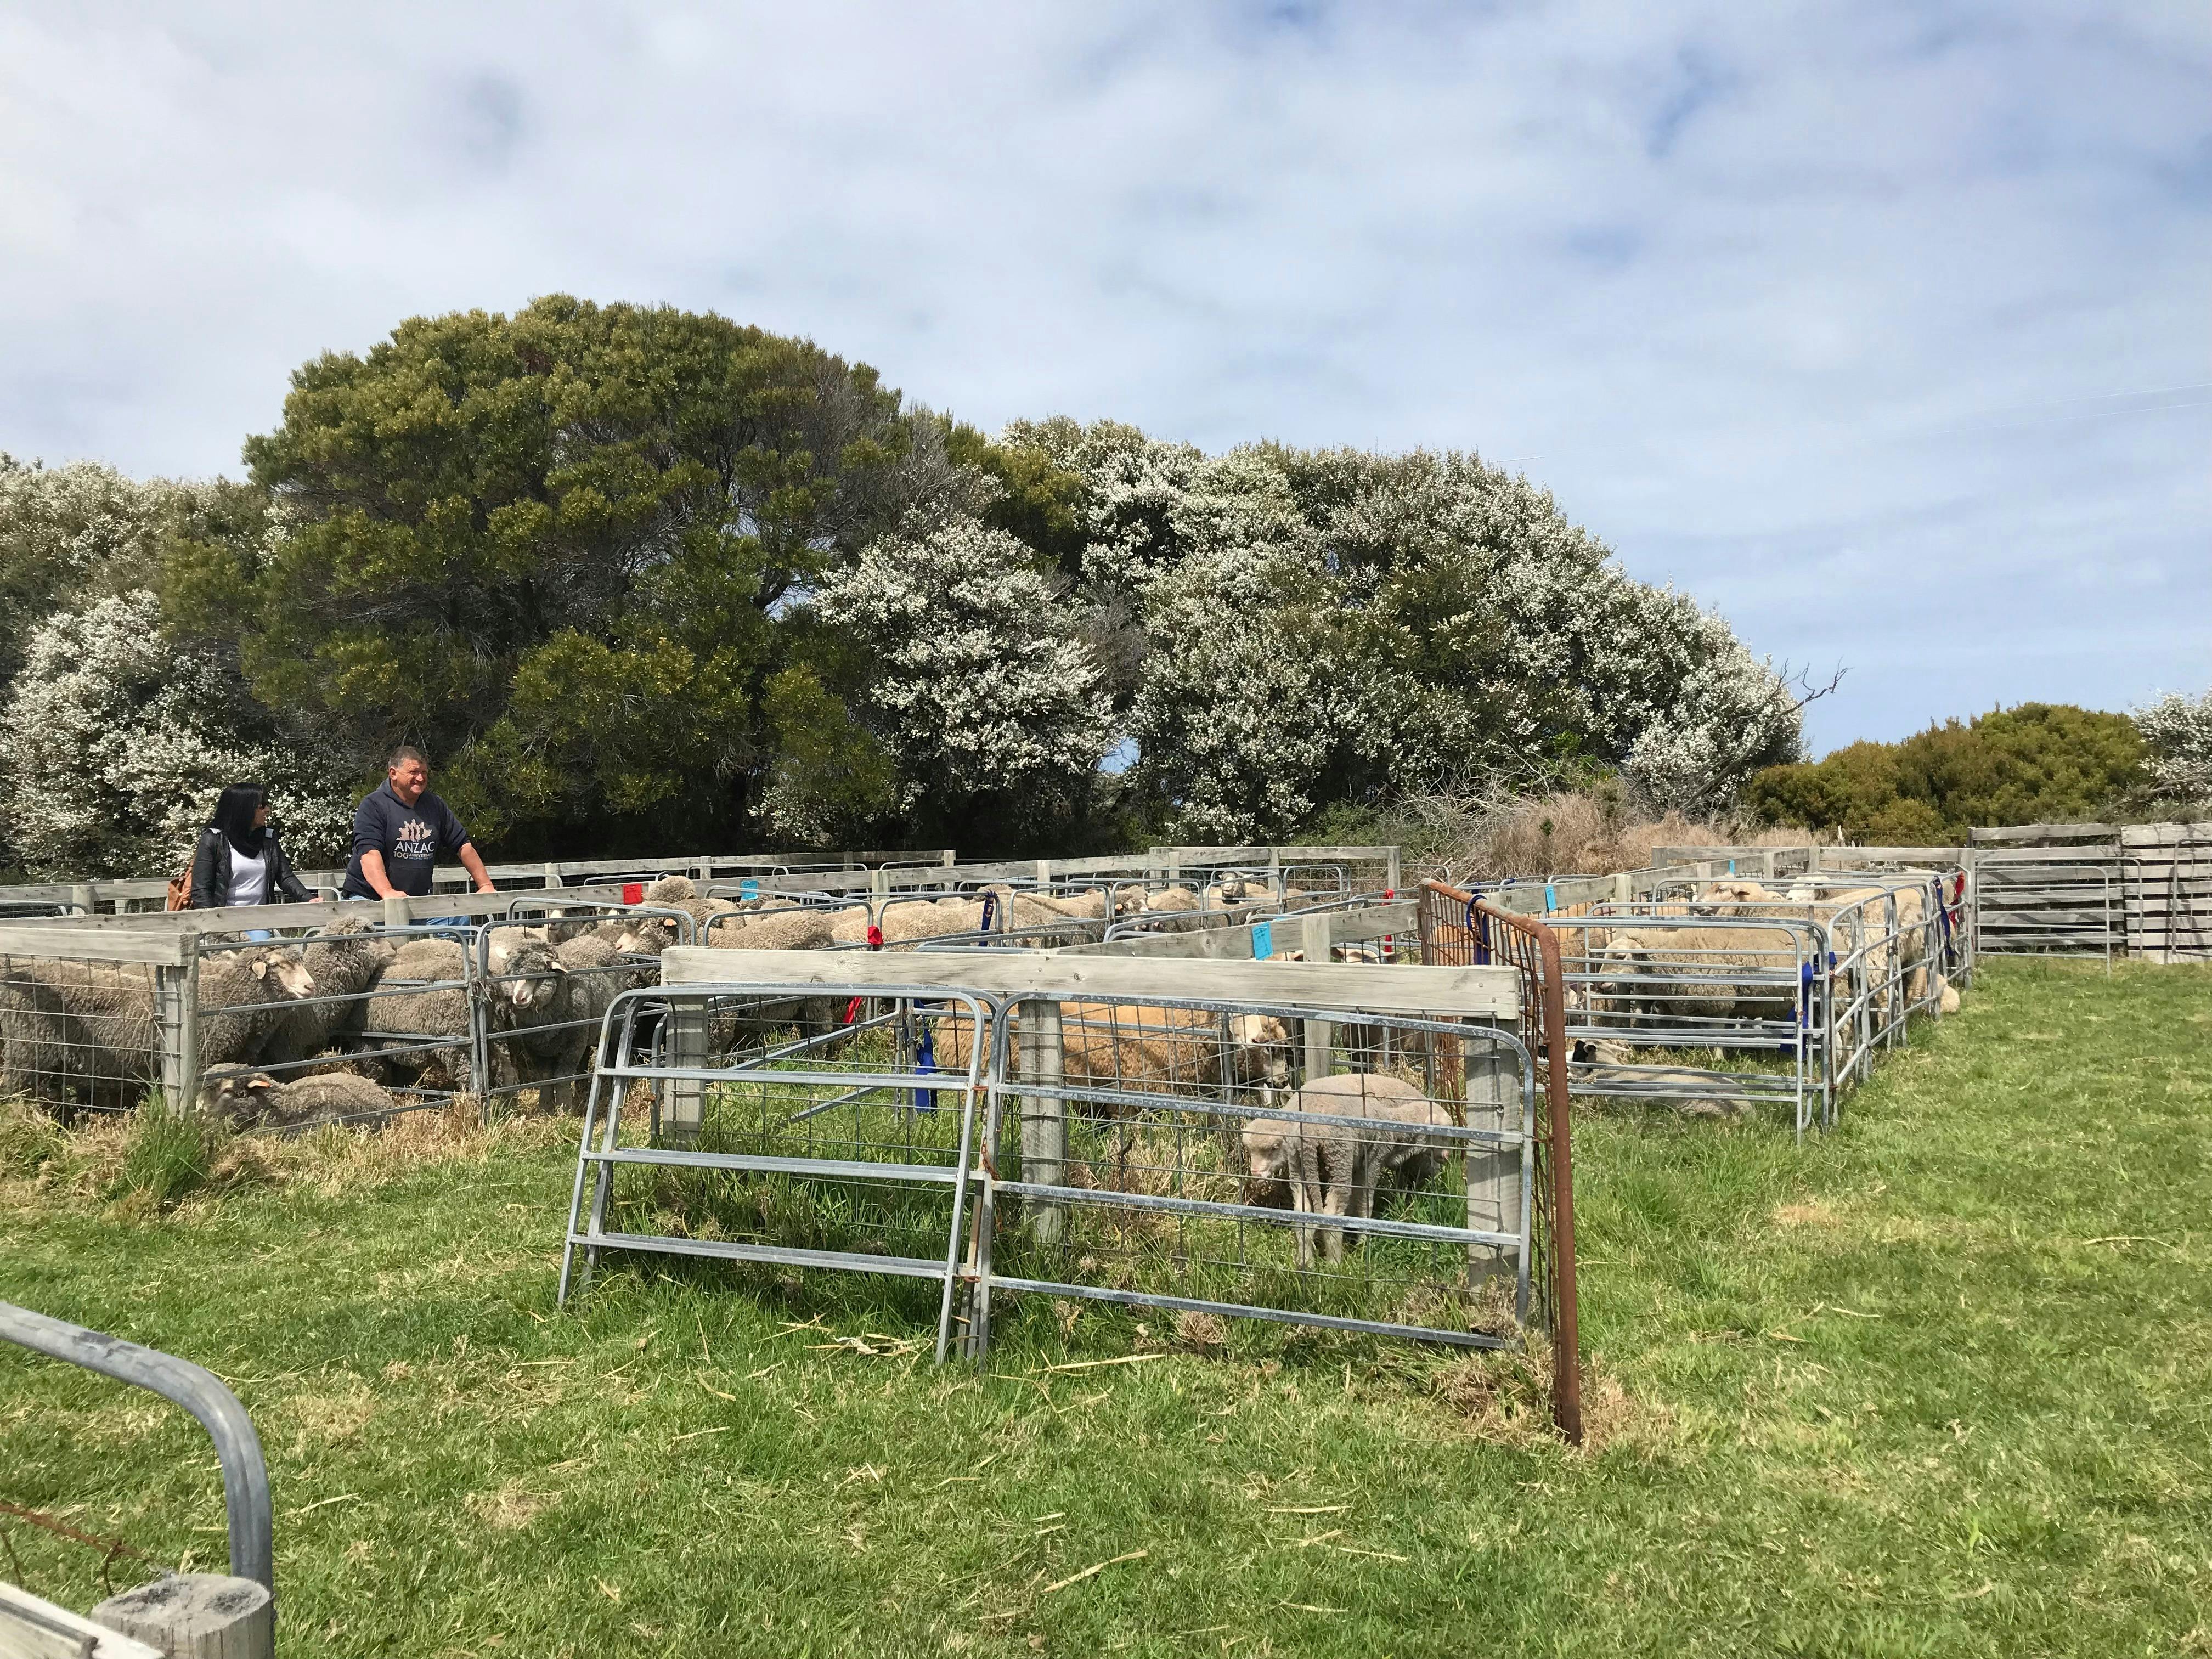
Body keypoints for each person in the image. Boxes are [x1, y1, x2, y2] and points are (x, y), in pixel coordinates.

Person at [339, 746, 496, 901]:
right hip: (369, 899)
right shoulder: (373, 805)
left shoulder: (435, 805)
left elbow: (463, 846)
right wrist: (387, 892)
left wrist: (486, 885)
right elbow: (369, 854)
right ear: (393, 773)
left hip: (417, 901)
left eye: (424, 773)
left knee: (459, 921)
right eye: (414, 772)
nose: (420, 778)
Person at [189, 783, 315, 910]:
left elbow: (285, 877)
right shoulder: (213, 839)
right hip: (224, 922)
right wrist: (215, 923)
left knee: (261, 932)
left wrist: (310, 900)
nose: (268, 810)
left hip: (261, 920)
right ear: (244, 810)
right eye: (261, 807)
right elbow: (201, 890)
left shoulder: (269, 838)